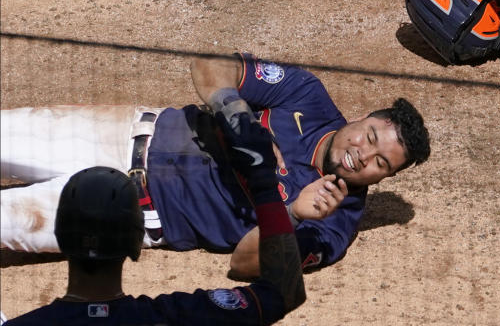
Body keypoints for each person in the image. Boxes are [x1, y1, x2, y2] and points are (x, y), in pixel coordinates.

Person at [1, 52, 431, 278]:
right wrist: (239, 118)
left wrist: (290, 213)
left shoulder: (334, 225)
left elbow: (243, 265)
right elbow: (211, 65)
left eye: (380, 164)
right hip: (119, 133)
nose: (363, 154)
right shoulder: (308, 97)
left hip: (124, 212)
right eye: (370, 137)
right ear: (363, 118)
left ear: (384, 177)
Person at [6, 110, 305, 324]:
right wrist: (265, 185)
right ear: (135, 247)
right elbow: (284, 292)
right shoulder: (173, 317)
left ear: (61, 235)